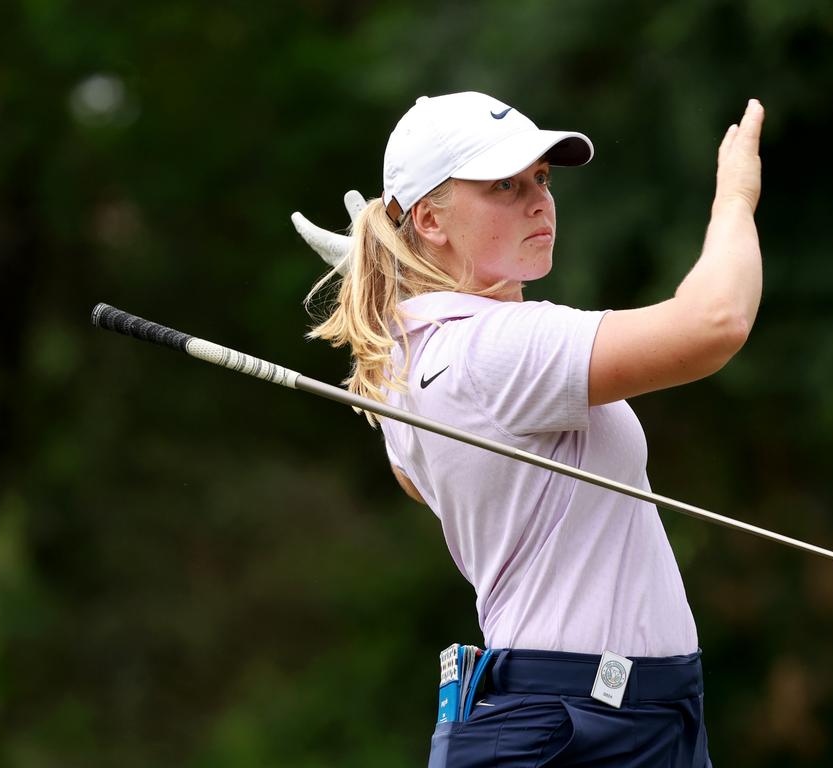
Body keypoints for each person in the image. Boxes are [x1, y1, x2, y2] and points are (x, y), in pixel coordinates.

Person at [298, 91, 763, 768]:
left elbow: (423, 481)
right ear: (428, 217)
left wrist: (401, 286)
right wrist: (736, 198)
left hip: (631, 717)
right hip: (575, 728)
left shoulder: (420, 361)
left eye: (540, 180)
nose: (539, 201)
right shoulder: (494, 348)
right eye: (504, 186)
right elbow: (715, 323)